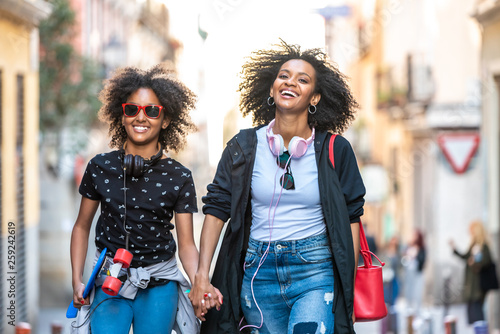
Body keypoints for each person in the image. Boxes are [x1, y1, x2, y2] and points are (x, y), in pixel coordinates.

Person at [189, 41, 366, 334]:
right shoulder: (242, 147)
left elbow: (351, 217)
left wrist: (349, 289)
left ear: (315, 97)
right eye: (284, 76)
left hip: (315, 271)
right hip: (258, 274)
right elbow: (217, 209)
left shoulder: (336, 150)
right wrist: (202, 275)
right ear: (272, 89)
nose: (290, 82)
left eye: (303, 79)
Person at [70, 64, 203, 334]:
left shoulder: (180, 176)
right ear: (122, 116)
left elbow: (187, 244)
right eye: (132, 109)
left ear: (165, 120)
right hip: (109, 279)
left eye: (151, 110)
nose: (140, 118)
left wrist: (200, 281)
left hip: (159, 284)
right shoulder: (99, 167)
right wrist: (77, 279)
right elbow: (82, 226)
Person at [450, 220, 494, 325]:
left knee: (477, 312)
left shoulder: (483, 246)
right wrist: (454, 249)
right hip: (471, 284)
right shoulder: (474, 245)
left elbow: (484, 262)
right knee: (471, 312)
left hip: (478, 285)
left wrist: (474, 261)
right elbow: (466, 257)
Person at [402, 228, 426, 315]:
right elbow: (404, 258)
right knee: (409, 292)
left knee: (418, 294)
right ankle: (409, 313)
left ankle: (418, 313)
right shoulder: (409, 246)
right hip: (409, 274)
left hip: (418, 275)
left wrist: (416, 255)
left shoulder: (422, 248)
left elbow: (422, 261)